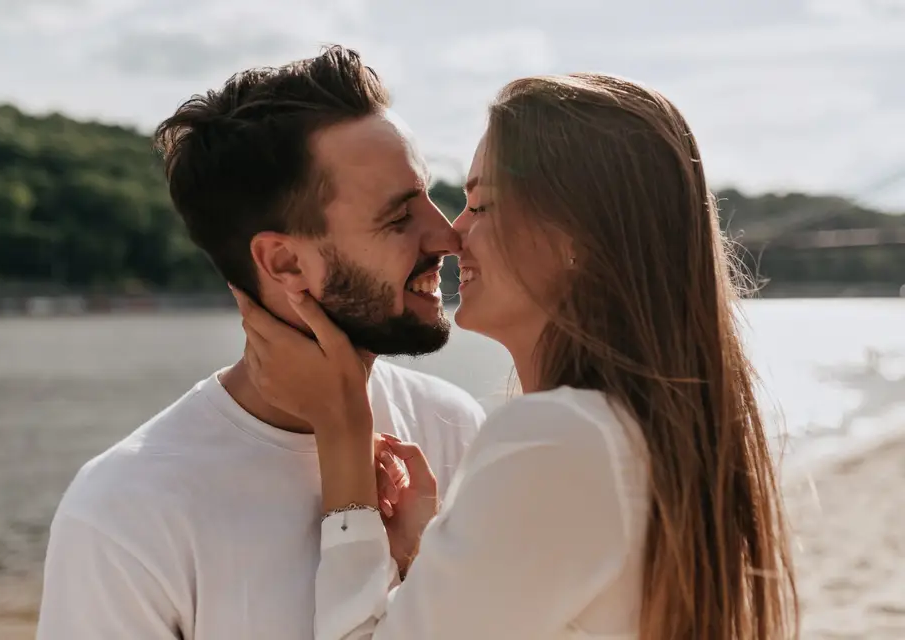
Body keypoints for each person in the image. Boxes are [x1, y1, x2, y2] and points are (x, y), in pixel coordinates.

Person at [233, 72, 799, 639]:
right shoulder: (650, 432)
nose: (454, 233)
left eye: (481, 204)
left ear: (575, 239)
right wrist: (430, 548)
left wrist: (342, 432)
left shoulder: (558, 438)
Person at [35, 46, 485, 640]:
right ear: (284, 262)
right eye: (398, 218)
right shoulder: (127, 512)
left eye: (429, 196)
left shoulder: (451, 427)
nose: (447, 236)